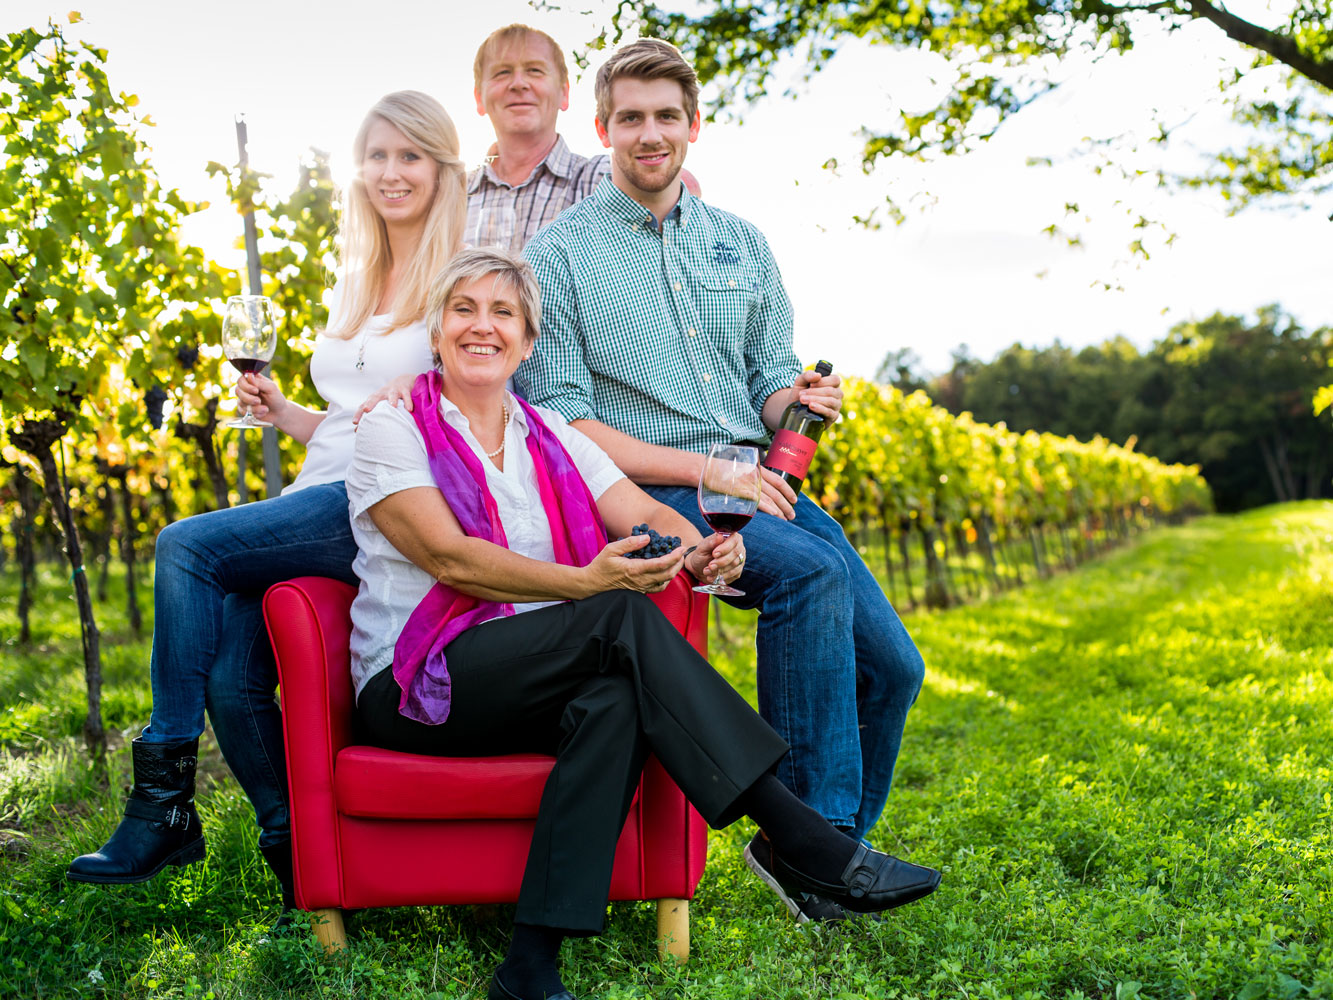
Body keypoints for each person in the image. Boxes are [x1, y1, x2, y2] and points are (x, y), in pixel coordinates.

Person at [347, 246, 940, 1000]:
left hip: (526, 679)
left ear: (528, 343)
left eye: (502, 313)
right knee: (615, 616)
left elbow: (648, 514)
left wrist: (703, 557)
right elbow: (451, 559)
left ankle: (529, 965)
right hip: (415, 685)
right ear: (437, 332)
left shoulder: (551, 437)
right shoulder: (392, 431)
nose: (481, 328)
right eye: (463, 309)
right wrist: (584, 582)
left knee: (616, 698)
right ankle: (799, 836)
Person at [515, 39, 928, 924]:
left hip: (754, 479)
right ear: (602, 129)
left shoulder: (741, 243)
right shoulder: (557, 258)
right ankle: (819, 850)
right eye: (630, 118)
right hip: (649, 487)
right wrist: (705, 467)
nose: (649, 133)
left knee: (894, 669)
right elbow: (562, 421)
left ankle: (810, 855)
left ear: (693, 125)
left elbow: (766, 386)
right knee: (807, 576)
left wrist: (801, 401)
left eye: (666, 115)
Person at [65, 91, 469, 928]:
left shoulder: (461, 272)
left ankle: (162, 801)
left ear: (440, 169)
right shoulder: (355, 275)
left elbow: (470, 400)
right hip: (315, 486)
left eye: (410, 157)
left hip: (378, 502)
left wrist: (427, 396)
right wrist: (286, 413)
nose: (391, 173)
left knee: (185, 547)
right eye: (378, 156)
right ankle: (299, 855)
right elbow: (352, 412)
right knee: (228, 673)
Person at [467, 23, 699, 254]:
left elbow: (681, 186)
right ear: (479, 97)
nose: (518, 84)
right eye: (502, 72)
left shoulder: (600, 177)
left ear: (564, 93)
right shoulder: (453, 192)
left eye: (535, 70)